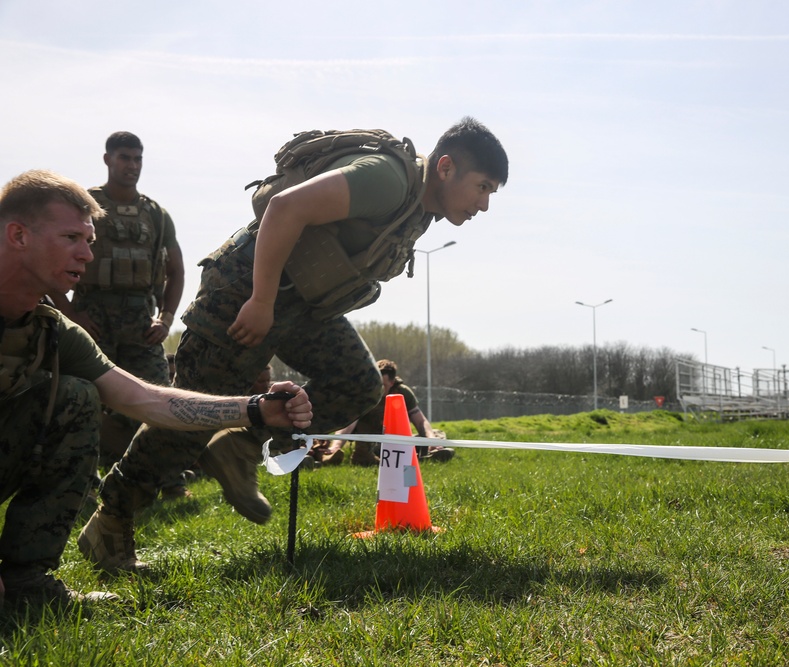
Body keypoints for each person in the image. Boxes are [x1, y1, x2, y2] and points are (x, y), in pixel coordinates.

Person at [80, 117, 507, 573]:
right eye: (482, 187)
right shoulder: (389, 179)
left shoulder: (421, 207)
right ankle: (111, 522)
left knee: (359, 383)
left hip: (302, 306)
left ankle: (241, 445)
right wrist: (261, 300)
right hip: (245, 293)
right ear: (445, 168)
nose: (483, 205)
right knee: (190, 420)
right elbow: (284, 208)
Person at [0, 170, 312, 607]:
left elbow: (146, 399)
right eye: (73, 237)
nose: (87, 255)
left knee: (77, 397)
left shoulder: (50, 329)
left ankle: (26, 585)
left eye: (89, 241)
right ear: (18, 235)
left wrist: (257, 409)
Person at [48, 132, 185, 473]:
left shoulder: (155, 214)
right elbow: (48, 262)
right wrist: (69, 313)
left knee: (161, 398)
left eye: (138, 159)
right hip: (91, 316)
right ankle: (82, 477)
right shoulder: (82, 206)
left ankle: (162, 479)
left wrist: (166, 319)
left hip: (141, 321)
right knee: (81, 395)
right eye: (125, 157)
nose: (132, 165)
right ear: (108, 159)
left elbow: (176, 271)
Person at [315, 359, 453, 466]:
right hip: (365, 438)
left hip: (391, 438)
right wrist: (336, 446)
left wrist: (430, 440)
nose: (378, 389)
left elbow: (420, 421)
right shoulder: (364, 392)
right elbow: (350, 422)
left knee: (437, 434)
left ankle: (432, 452)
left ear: (392, 383)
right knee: (323, 441)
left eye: (383, 385)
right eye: (375, 383)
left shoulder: (403, 393)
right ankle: (333, 457)